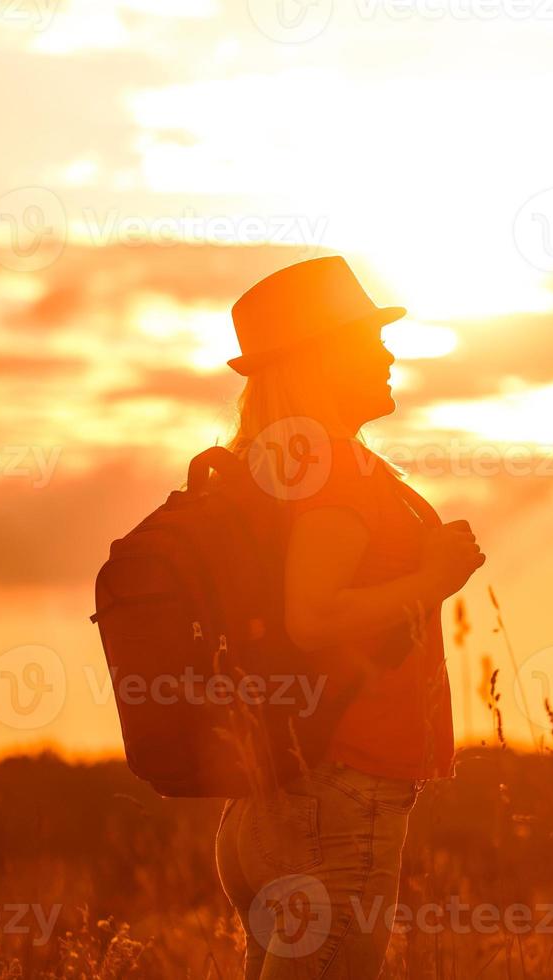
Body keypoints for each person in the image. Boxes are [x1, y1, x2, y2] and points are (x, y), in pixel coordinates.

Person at [212, 256, 484, 979]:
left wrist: (422, 573)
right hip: (341, 805)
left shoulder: (276, 468)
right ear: (319, 357)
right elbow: (314, 615)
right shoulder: (332, 468)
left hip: (271, 811)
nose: (389, 352)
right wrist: (434, 577)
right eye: (368, 337)